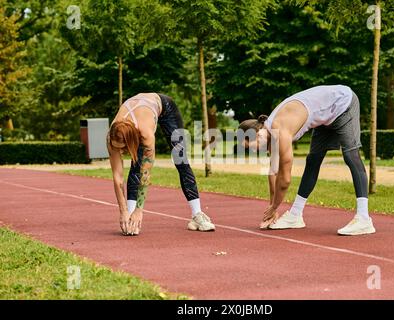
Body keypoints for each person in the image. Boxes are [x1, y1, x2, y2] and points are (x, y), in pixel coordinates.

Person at [239, 85, 375, 236]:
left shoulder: (279, 129)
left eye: (251, 147)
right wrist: (273, 209)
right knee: (313, 160)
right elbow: (274, 173)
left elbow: (285, 179)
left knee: (351, 156)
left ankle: (364, 219)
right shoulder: (271, 135)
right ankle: (295, 215)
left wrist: (274, 206)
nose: (253, 151)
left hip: (342, 103)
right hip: (326, 116)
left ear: (257, 134)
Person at [107, 93, 215, 235]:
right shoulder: (111, 138)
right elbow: (118, 178)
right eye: (117, 148)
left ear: (132, 140)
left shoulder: (145, 134)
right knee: (136, 164)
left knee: (180, 160)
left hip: (166, 108)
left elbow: (145, 174)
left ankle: (197, 215)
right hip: (139, 111)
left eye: (122, 148)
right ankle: (130, 221)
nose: (120, 151)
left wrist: (140, 211)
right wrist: (123, 211)